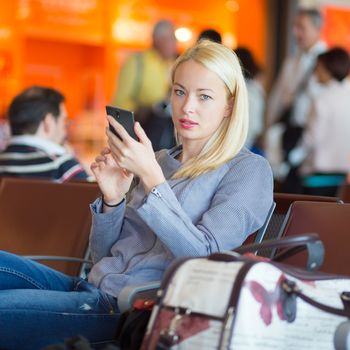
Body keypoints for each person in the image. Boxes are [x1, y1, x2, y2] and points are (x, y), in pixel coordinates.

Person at [0, 40, 273, 349]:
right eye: (180, 91)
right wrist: (112, 199)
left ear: (230, 105)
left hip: (131, 311)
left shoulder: (248, 171)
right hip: (90, 289)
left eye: (204, 96)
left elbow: (205, 259)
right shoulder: (157, 159)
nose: (187, 107)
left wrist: (154, 181)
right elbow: (103, 256)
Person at [265, 8, 327, 181]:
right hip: (289, 135)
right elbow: (277, 99)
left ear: (317, 29)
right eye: (294, 27)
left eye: (301, 27)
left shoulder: (328, 62)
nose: (295, 32)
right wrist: (269, 127)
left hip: (313, 142)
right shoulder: (292, 61)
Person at [0, 86, 89, 182]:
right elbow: (95, 195)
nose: (65, 131)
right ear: (48, 122)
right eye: (64, 121)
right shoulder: (61, 166)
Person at [293, 48, 350, 196]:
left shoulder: (321, 99)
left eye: (318, 67)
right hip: (342, 172)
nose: (315, 72)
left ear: (328, 69)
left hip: (317, 173)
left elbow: (311, 139)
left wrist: (293, 158)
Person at [234, 47, 265, 153]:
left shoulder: (247, 91)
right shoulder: (256, 88)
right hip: (249, 143)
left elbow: (253, 125)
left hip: (242, 145)